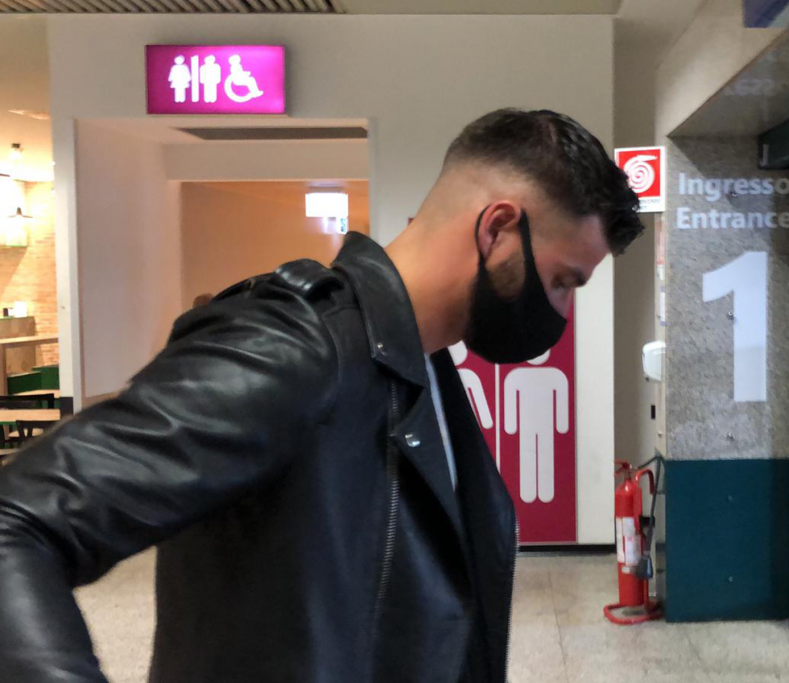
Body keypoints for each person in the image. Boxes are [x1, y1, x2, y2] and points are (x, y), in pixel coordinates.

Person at [0, 108, 642, 683]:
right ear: (497, 229)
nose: (561, 312)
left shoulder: (428, 364)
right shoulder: (293, 348)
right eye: (563, 281)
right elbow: (17, 522)